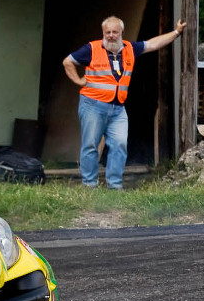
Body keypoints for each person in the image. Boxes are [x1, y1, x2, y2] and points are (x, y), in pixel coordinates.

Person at [63, 16, 187, 189]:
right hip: (93, 105)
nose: (111, 35)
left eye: (115, 32)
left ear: (122, 32)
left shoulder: (130, 48)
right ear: (103, 33)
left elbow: (153, 44)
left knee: (120, 144)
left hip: (118, 108)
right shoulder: (91, 48)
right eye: (107, 32)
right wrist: (78, 80)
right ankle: (89, 185)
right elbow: (68, 61)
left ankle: (114, 186)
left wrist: (176, 32)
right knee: (90, 145)